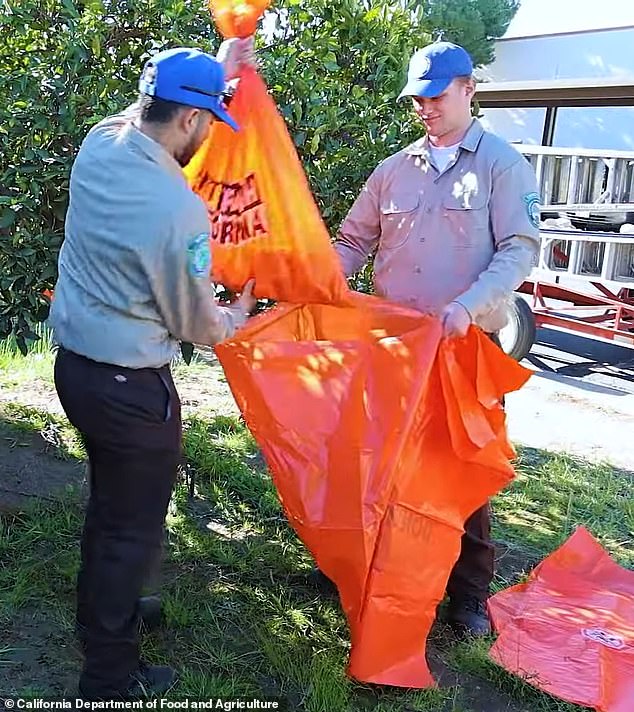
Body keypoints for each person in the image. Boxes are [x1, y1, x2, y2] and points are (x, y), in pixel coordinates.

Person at [49, 39, 256, 700]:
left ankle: (108, 621)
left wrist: (215, 69)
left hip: (76, 372)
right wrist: (238, 318)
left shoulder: (98, 144)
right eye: (207, 125)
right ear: (192, 121)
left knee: (110, 513)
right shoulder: (176, 210)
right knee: (128, 532)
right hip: (130, 391)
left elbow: (144, 108)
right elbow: (195, 324)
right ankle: (107, 677)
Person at [332, 41, 541, 636]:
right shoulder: (394, 170)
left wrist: (467, 306)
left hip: (462, 350)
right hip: (393, 350)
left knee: (464, 473)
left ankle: (468, 595)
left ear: (468, 89)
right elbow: (352, 241)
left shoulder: (502, 165)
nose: (425, 107)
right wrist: (313, 277)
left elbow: (518, 249)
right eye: (417, 98)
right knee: (381, 464)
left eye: (437, 95)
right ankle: (370, 568)